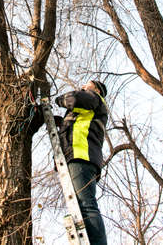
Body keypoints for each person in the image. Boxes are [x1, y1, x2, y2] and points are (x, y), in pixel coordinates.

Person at [55, 80, 108, 245]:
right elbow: (73, 127)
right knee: (83, 205)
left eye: (88, 85)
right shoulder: (85, 110)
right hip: (80, 157)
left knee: (86, 205)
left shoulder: (95, 98)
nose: (84, 86)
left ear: (97, 90)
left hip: (81, 155)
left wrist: (59, 100)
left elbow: (74, 99)